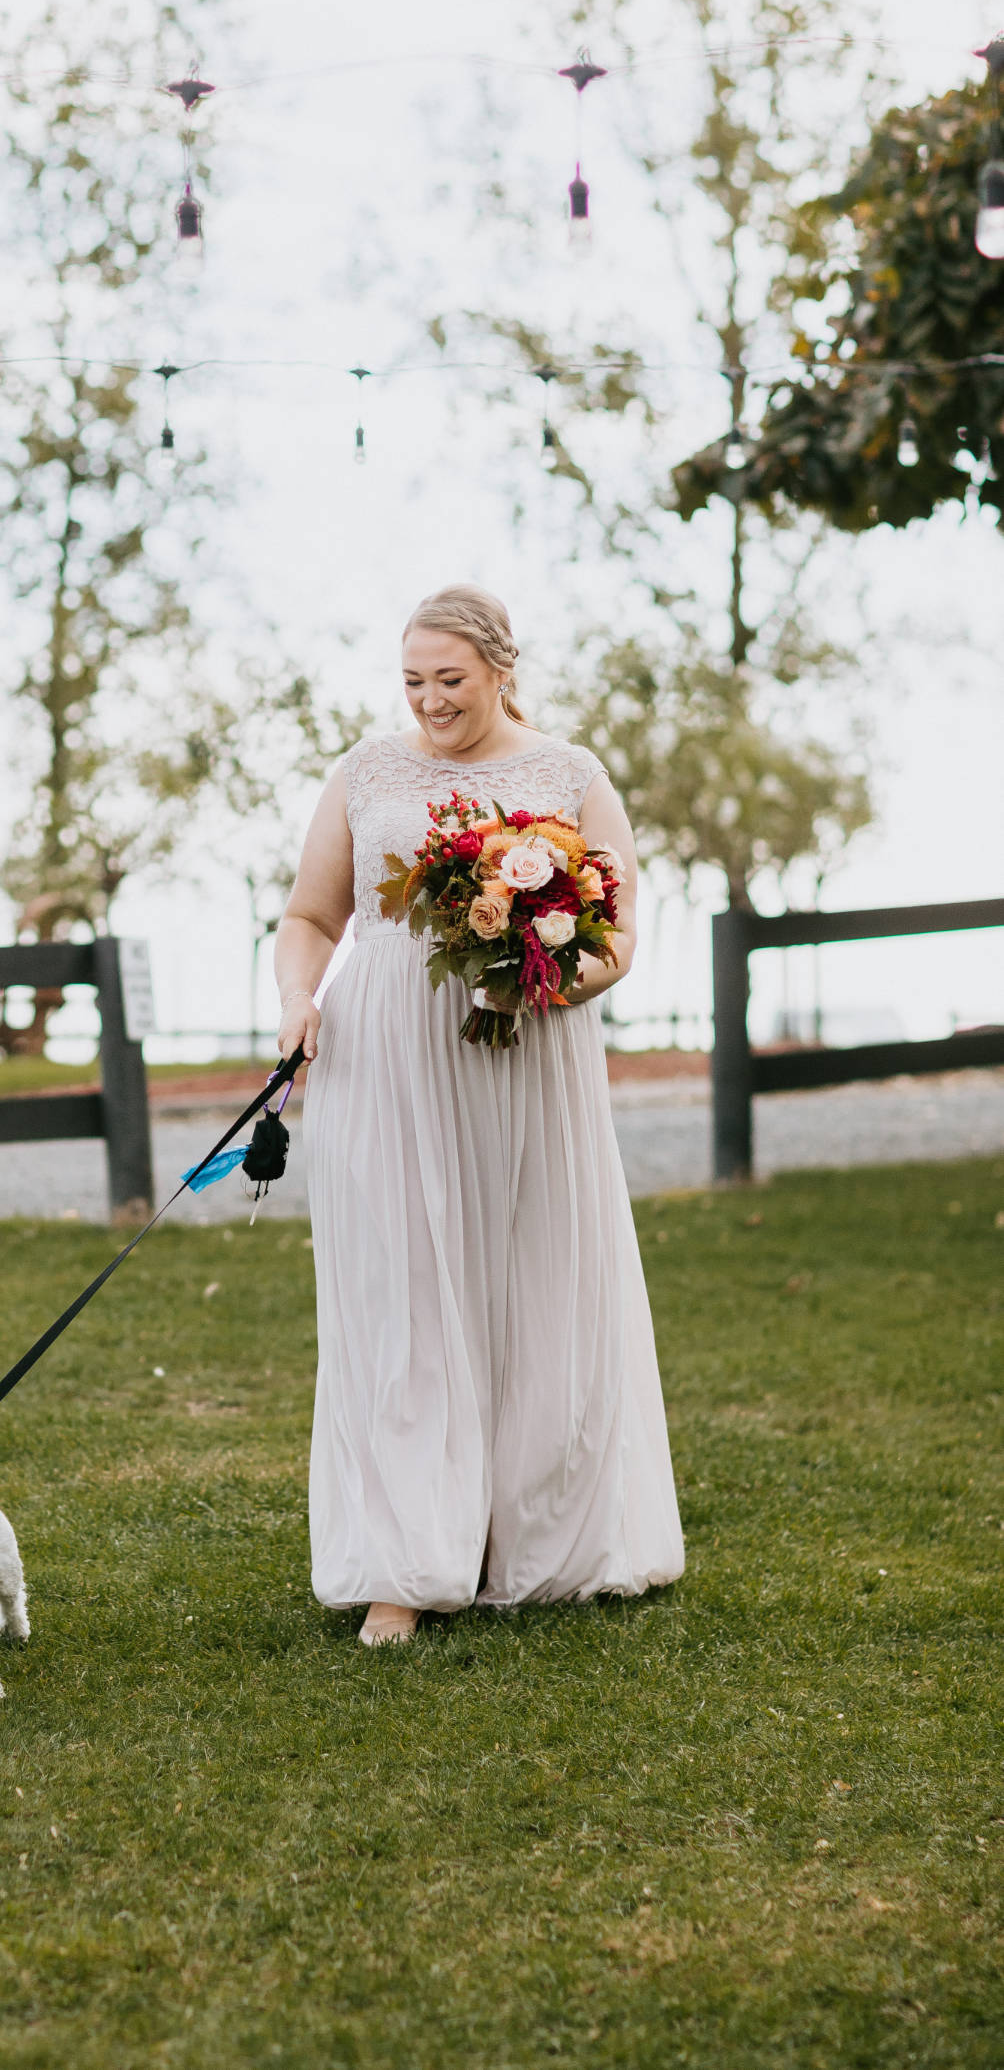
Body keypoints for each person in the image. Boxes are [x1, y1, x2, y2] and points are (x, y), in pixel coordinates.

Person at [274, 585, 684, 1647]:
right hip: (381, 1058)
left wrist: (549, 981)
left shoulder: (570, 775)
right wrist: (295, 999)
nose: (429, 702)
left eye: (449, 680)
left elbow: (620, 931)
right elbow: (314, 915)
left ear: (503, 667)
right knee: (399, 1287)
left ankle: (529, 1540)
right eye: (412, 682)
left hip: (522, 1052)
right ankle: (402, 1566)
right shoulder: (368, 771)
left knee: (528, 1277)